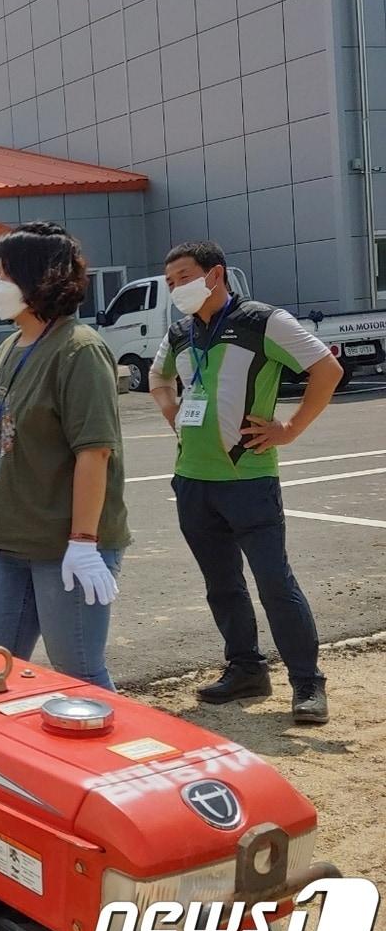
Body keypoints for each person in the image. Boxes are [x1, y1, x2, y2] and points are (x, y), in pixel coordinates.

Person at [150, 241, 339, 724]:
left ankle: (307, 683)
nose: (176, 287)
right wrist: (175, 417)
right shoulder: (180, 332)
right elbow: (157, 378)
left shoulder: (263, 322)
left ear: (215, 275)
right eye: (169, 281)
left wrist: (289, 430)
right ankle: (246, 668)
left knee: (275, 583)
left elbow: (327, 369)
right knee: (222, 584)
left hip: (248, 478)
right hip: (193, 480)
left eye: (183, 276)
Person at [0, 222, 130, 690]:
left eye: (5, 274)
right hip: (12, 542)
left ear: (38, 279)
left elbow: (94, 451)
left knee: (78, 670)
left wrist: (83, 542)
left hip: (64, 546)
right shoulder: (8, 348)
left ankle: (109, 759)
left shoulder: (78, 350)